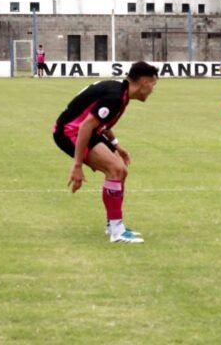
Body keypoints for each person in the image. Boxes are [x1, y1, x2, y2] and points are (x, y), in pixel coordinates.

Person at [53, 61, 159, 244]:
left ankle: (113, 224)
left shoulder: (121, 92)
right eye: (153, 84)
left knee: (121, 170)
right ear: (144, 82)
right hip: (69, 132)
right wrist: (77, 165)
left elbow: (101, 124)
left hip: (85, 130)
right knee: (115, 169)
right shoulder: (115, 97)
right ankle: (117, 231)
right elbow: (86, 126)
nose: (152, 90)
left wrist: (116, 146)